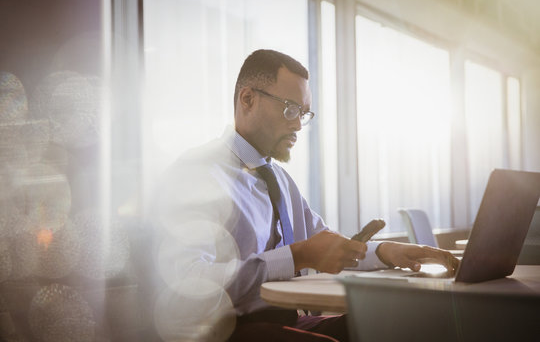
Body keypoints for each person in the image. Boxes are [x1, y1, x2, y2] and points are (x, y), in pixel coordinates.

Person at [153, 49, 459, 342]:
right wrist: (296, 255)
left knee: (394, 326)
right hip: (226, 331)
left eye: (303, 112)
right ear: (248, 99)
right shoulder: (198, 173)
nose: (298, 124)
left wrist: (384, 253)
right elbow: (190, 282)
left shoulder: (281, 181)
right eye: (289, 108)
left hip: (286, 321)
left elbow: (323, 246)